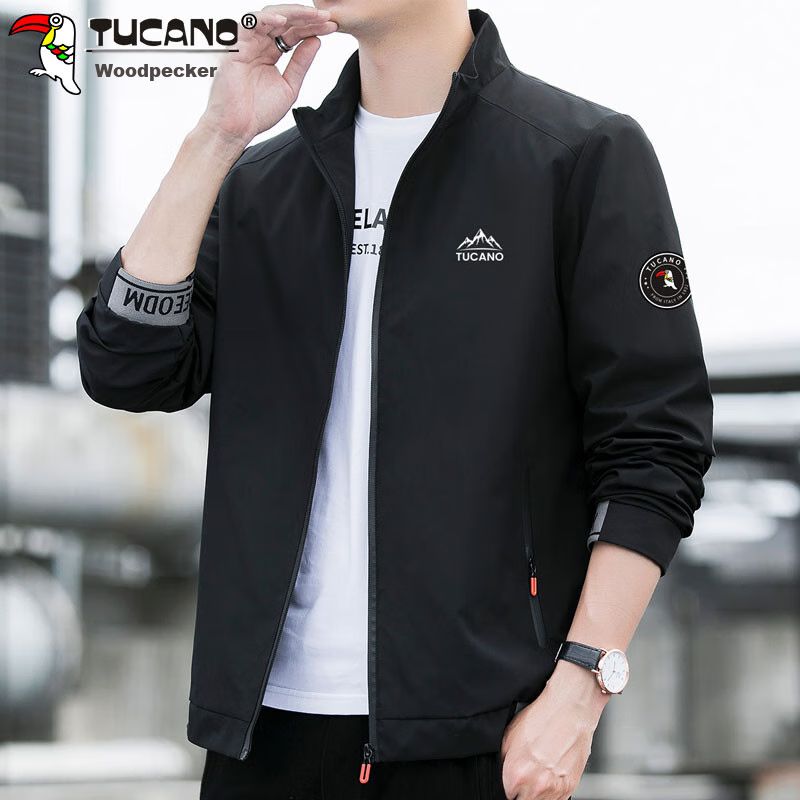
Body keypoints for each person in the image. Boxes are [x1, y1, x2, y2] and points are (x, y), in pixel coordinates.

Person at [75, 3, 715, 798]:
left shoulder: (578, 156)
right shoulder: (262, 184)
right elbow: (126, 367)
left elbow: (657, 444)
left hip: (479, 735)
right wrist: (215, 138)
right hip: (261, 738)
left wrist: (581, 686)